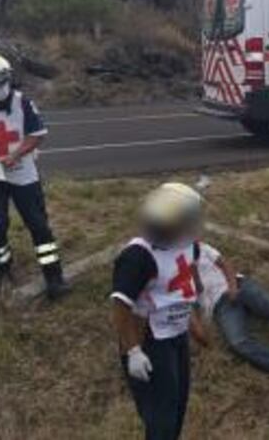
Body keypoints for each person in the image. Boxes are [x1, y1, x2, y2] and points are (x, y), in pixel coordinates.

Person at [0, 52, 69, 299]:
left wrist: (16, 155)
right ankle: (2, 267)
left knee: (39, 225)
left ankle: (54, 276)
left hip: (24, 174)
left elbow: (37, 134)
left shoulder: (23, 103)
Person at [110, 183, 208, 440]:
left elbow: (188, 276)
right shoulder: (138, 257)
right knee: (160, 416)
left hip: (175, 336)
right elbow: (121, 306)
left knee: (178, 403)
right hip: (150, 341)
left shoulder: (189, 243)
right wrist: (133, 351)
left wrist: (195, 312)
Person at [195, 241, 269, 375]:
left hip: (238, 285)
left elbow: (225, 264)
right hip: (220, 306)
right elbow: (195, 294)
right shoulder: (172, 274)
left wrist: (233, 287)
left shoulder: (197, 247)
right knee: (238, 342)